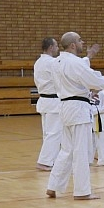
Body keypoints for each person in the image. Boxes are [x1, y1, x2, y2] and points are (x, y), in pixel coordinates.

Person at [45, 32, 104, 200]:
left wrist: (89, 56)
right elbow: (91, 78)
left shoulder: (56, 62)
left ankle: (53, 185)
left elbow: (77, 73)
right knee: (81, 151)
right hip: (78, 109)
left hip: (65, 105)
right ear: (72, 45)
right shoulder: (75, 63)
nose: (82, 42)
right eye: (79, 40)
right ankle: (82, 191)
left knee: (66, 149)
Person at [34, 37, 62, 171]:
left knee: (48, 133)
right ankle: (44, 161)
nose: (57, 48)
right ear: (51, 47)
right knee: (54, 133)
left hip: (45, 101)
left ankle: (51, 159)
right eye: (56, 46)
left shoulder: (38, 62)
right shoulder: (52, 62)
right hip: (52, 102)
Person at [91, 88, 104, 167]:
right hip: (91, 120)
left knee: (101, 140)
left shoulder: (103, 94)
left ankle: (103, 160)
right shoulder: (89, 94)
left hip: (100, 119)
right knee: (92, 141)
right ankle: (89, 159)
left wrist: (94, 111)